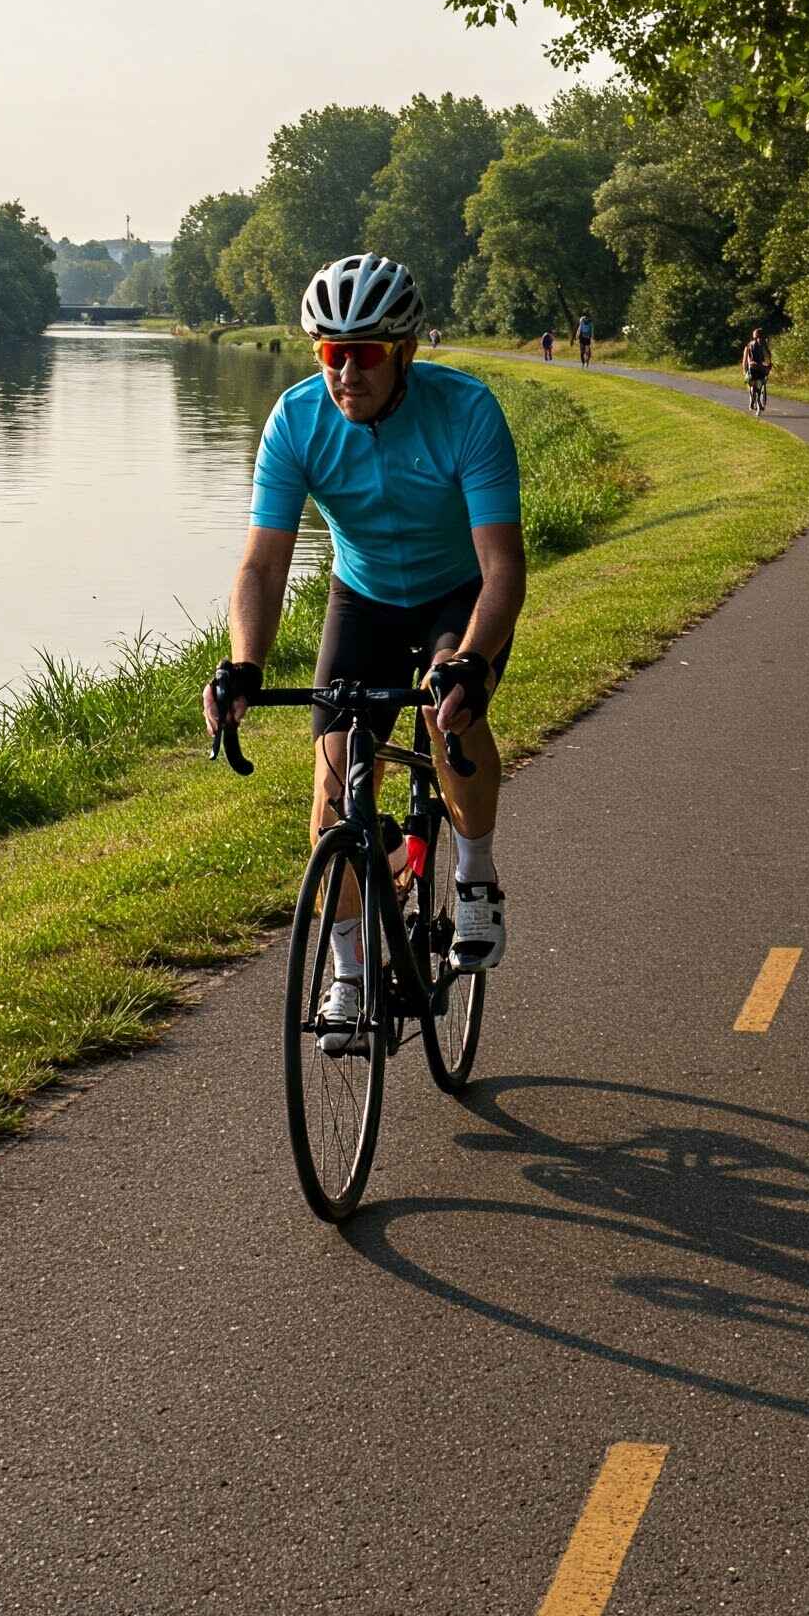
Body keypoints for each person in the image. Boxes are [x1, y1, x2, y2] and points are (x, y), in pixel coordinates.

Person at [203, 253, 525, 1055]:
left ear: (405, 351)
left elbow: (503, 568)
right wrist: (244, 663)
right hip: (365, 598)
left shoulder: (467, 412)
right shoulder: (295, 420)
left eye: (368, 352)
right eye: (331, 353)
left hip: (458, 594)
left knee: (449, 715)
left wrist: (472, 663)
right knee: (335, 781)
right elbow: (263, 565)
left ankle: (475, 875)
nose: (347, 372)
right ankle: (349, 975)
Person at [742, 326, 772, 412]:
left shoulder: (763, 346)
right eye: (758, 337)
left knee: (760, 382)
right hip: (753, 367)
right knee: (752, 384)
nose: (759, 339)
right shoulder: (750, 346)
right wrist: (745, 369)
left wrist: (768, 365)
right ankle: (753, 400)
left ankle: (756, 400)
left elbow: (768, 356)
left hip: (759, 367)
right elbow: (746, 360)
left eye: (760, 337)